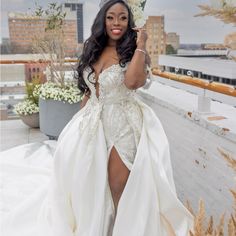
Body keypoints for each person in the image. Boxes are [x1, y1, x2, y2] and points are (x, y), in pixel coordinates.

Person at [1, 0, 193, 235]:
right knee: (87, 182)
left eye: (123, 18)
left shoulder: (133, 51)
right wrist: (77, 126)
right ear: (103, 19)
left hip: (122, 122)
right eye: (111, 17)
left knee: (117, 185)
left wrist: (141, 43)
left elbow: (133, 82)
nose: (117, 23)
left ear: (130, 22)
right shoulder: (94, 48)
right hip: (92, 121)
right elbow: (89, 91)